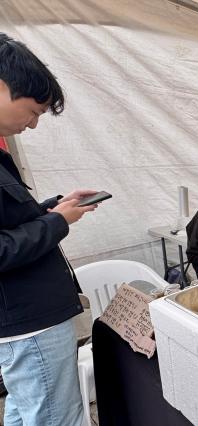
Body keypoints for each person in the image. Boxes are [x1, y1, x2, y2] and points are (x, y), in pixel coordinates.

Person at [0, 33, 99, 425]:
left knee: (26, 413)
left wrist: (53, 208)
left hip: (28, 321)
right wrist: (58, 222)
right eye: (34, 111)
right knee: (57, 417)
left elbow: (10, 221)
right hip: (28, 323)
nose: (34, 124)